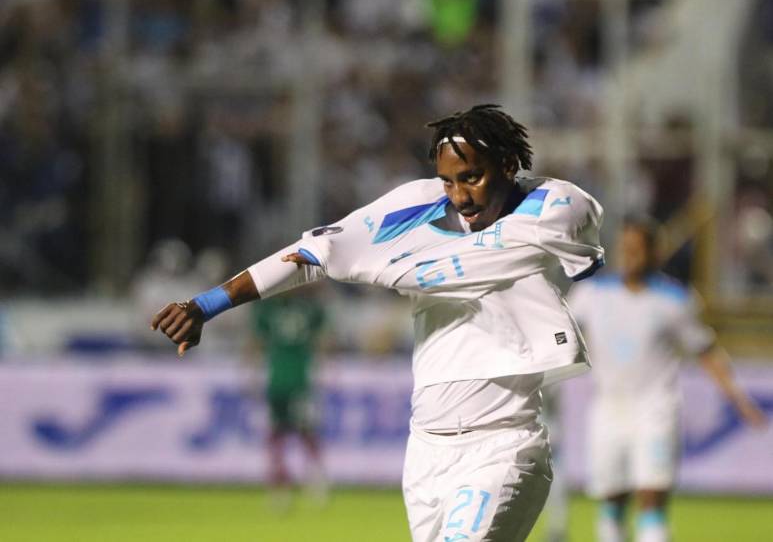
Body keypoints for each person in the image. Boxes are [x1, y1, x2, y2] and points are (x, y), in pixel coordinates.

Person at [151, 104, 605, 542]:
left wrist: (420, 266)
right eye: (448, 181)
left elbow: (581, 247)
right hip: (426, 447)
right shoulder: (412, 208)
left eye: (472, 177)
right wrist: (205, 305)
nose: (461, 196)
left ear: (508, 164)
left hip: (504, 442)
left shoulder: (552, 207)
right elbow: (314, 254)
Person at [568, 217, 767, 542]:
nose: (630, 255)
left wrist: (740, 400)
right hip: (608, 409)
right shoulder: (591, 294)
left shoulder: (674, 300)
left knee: (652, 501)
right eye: (625, 248)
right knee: (611, 504)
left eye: (638, 249)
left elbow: (706, 351)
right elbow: (559, 334)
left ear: (654, 253)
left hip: (655, 410)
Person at [251, 289, 328, 507]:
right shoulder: (307, 309)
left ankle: (308, 482)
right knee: (286, 434)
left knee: (298, 432)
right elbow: (322, 341)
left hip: (291, 378)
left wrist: (252, 373)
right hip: (288, 379)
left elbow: (256, 343)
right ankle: (288, 484)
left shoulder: (270, 309)